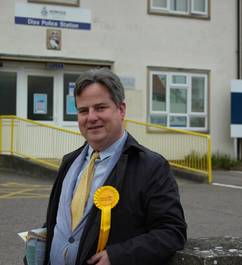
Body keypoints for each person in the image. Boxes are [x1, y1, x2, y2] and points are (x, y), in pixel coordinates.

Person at [44, 68, 187, 265]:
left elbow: (172, 232)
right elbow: (58, 224)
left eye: (100, 108)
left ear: (121, 110)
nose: (91, 117)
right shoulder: (69, 162)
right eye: (83, 111)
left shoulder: (151, 166)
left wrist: (120, 256)